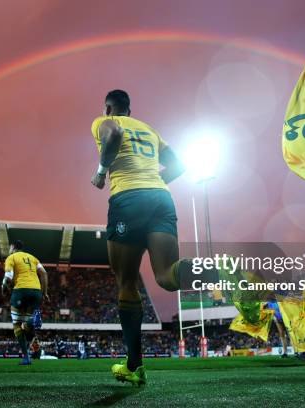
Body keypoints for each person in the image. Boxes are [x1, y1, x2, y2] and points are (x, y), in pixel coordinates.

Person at [91, 89, 190, 386]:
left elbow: (113, 134)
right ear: (130, 109)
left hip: (128, 200)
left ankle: (134, 366)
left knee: (127, 282)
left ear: (109, 107)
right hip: (161, 197)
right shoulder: (150, 130)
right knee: (166, 277)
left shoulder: (102, 121)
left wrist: (100, 172)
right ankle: (220, 269)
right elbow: (180, 166)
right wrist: (155, 184)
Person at [2, 240, 49, 365]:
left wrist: (4, 286)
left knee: (17, 324)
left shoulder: (11, 257)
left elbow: (8, 276)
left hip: (21, 291)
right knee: (27, 325)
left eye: (9, 247)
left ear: (13, 247)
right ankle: (30, 322)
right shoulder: (33, 258)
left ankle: (26, 357)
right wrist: (44, 292)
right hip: (36, 292)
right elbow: (44, 273)